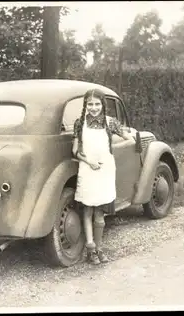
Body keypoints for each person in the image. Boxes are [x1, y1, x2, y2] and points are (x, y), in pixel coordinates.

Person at [71, 89, 135, 265]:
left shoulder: (110, 123)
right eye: (90, 104)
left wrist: (111, 152)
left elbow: (129, 139)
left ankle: (99, 248)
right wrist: (89, 161)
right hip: (87, 168)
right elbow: (75, 151)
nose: (94, 108)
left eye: (97, 104)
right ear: (86, 105)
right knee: (88, 209)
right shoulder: (79, 124)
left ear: (103, 105)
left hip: (105, 170)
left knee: (100, 212)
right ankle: (90, 249)